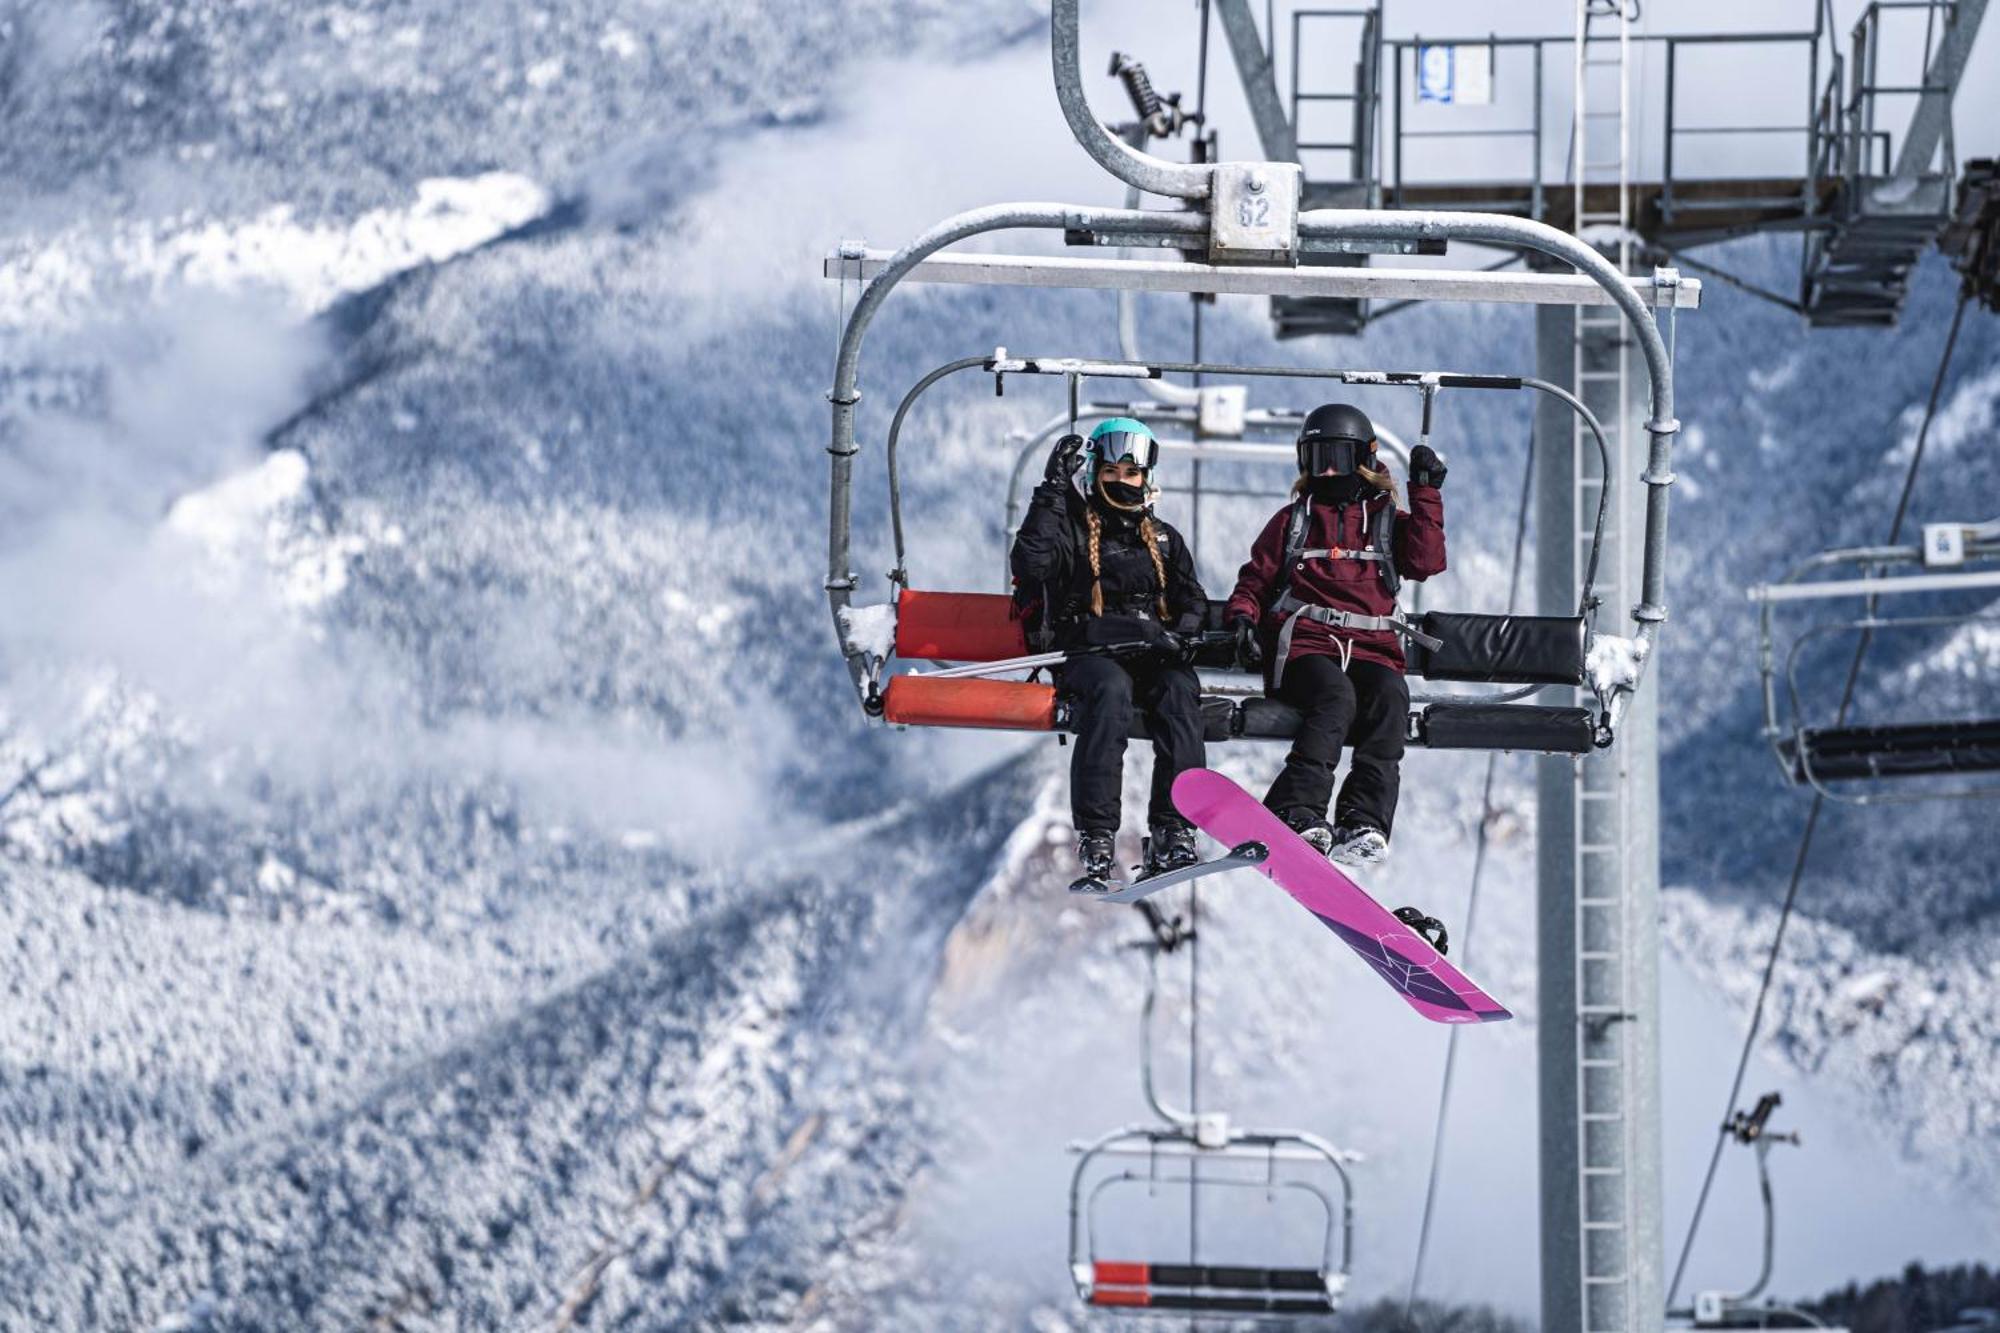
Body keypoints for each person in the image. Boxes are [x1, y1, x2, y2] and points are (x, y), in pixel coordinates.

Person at [1224, 402, 1447, 866]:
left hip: (1373, 648)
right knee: (1336, 698)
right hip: (1306, 646)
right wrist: (1243, 617)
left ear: (1363, 460)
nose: (1327, 471)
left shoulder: (1386, 522)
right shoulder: (1294, 521)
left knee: (1390, 699)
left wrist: (1424, 493)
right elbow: (1256, 580)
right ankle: (1297, 809)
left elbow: (1426, 562)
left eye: (1338, 459)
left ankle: (1362, 820)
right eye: (1316, 459)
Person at [1010, 417, 1210, 884]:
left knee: (1181, 692)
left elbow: (1191, 597)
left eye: (1131, 472)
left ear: (1146, 478)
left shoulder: (1162, 538)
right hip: (1090, 654)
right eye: (1111, 472)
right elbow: (1031, 561)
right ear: (1094, 474)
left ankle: (1173, 826)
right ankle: (1098, 833)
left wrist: (1187, 630)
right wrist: (1052, 492)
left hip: (1152, 655)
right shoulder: (1073, 532)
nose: (1122, 482)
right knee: (1111, 692)